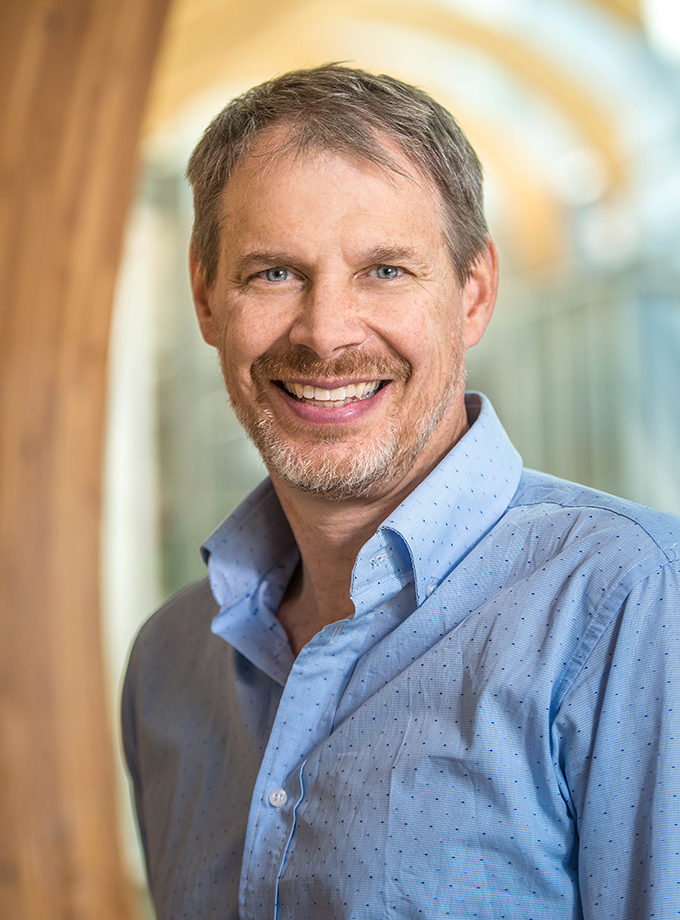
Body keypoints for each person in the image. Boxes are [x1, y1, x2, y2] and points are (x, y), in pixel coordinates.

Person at [122, 65, 680, 919]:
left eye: (384, 270)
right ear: (206, 296)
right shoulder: (168, 663)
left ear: (474, 293)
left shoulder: (633, 606)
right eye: (273, 273)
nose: (327, 333)